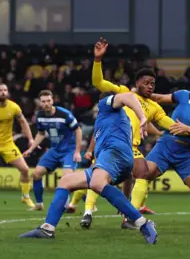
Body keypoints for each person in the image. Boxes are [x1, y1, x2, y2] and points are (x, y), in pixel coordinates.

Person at [19, 92, 158, 244]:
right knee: (66, 181)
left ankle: (143, 223)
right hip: (119, 159)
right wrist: (125, 202)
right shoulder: (112, 123)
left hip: (114, 153)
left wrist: (142, 116)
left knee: (97, 183)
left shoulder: (105, 105)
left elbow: (128, 97)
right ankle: (47, 228)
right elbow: (127, 174)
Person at [90, 38, 190, 228]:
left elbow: (171, 125)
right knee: (97, 178)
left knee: (142, 174)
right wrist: (97, 60)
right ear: (137, 82)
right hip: (112, 143)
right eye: (146, 82)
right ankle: (87, 209)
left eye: (153, 84)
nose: (150, 86)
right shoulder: (124, 92)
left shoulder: (154, 107)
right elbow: (98, 82)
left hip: (131, 148)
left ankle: (129, 216)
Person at [130, 75, 190, 230]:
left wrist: (188, 130)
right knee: (143, 173)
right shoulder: (184, 95)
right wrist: (136, 94)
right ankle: (132, 215)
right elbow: (158, 98)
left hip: (187, 155)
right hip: (166, 146)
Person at [22, 90, 83, 211]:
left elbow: (78, 130)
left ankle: (72, 204)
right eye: (43, 101)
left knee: (67, 179)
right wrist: (31, 149)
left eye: (48, 101)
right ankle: (39, 204)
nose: (46, 104)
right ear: (40, 103)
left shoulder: (64, 114)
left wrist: (77, 151)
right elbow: (41, 134)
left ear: (52, 101)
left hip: (69, 150)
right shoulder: (40, 116)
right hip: (54, 150)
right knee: (36, 174)